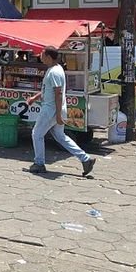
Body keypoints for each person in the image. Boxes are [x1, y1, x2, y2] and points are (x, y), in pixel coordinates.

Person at [26, 46, 96, 176]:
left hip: (50, 110)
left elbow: (57, 94)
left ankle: (39, 163)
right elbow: (48, 90)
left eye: (42, 54)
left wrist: (58, 115)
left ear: (48, 57)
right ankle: (85, 159)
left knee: (37, 134)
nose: (40, 56)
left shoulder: (54, 72)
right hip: (56, 109)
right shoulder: (54, 70)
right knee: (60, 136)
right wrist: (35, 98)